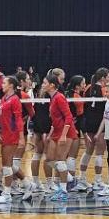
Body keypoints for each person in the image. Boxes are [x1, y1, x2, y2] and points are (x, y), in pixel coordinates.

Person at [0, 76, 26, 204]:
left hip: (12, 135)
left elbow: (18, 120)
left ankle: (7, 193)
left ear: (11, 85)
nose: (2, 84)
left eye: (4, 82)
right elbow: (0, 118)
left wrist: (21, 137)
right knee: (7, 164)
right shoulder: (3, 99)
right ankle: (27, 185)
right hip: (5, 134)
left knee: (6, 165)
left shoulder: (15, 100)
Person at [42, 74, 76, 202]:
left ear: (52, 85)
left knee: (61, 161)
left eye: (45, 83)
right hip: (56, 131)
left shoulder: (59, 97)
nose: (43, 85)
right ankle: (71, 179)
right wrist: (51, 133)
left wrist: (63, 135)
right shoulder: (52, 98)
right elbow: (56, 119)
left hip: (66, 132)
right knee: (50, 159)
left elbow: (69, 117)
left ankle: (63, 191)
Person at [80, 68, 109, 189]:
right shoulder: (105, 90)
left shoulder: (88, 87)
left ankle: (82, 178)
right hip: (100, 123)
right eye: (108, 76)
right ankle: (98, 181)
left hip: (88, 123)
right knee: (99, 153)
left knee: (88, 151)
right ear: (103, 78)